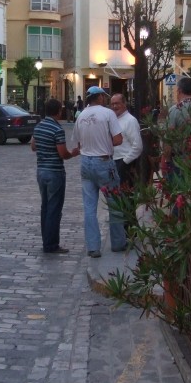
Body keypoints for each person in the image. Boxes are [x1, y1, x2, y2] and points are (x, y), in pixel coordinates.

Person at [73, 86, 124, 257]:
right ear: (100, 97)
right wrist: (105, 141)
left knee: (89, 207)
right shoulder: (108, 114)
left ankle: (93, 246)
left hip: (86, 163)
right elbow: (118, 139)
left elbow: (78, 144)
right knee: (114, 204)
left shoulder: (80, 116)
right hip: (104, 162)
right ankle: (118, 242)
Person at [30, 98, 79, 254]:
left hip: (41, 170)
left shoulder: (39, 126)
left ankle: (46, 241)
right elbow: (62, 153)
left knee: (45, 207)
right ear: (59, 111)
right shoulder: (57, 129)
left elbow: (33, 146)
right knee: (54, 209)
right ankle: (51, 244)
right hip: (55, 172)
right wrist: (73, 153)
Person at [160, 77, 191, 212]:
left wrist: (166, 160)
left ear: (179, 90)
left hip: (179, 160)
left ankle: (180, 224)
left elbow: (169, 138)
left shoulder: (174, 110)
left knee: (178, 195)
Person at [110, 93, 143, 234]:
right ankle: (123, 230)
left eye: (117, 103)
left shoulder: (130, 121)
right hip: (114, 162)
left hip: (125, 163)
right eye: (112, 104)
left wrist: (124, 162)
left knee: (127, 197)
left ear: (124, 104)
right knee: (119, 197)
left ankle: (130, 231)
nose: (114, 106)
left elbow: (138, 146)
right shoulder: (113, 120)